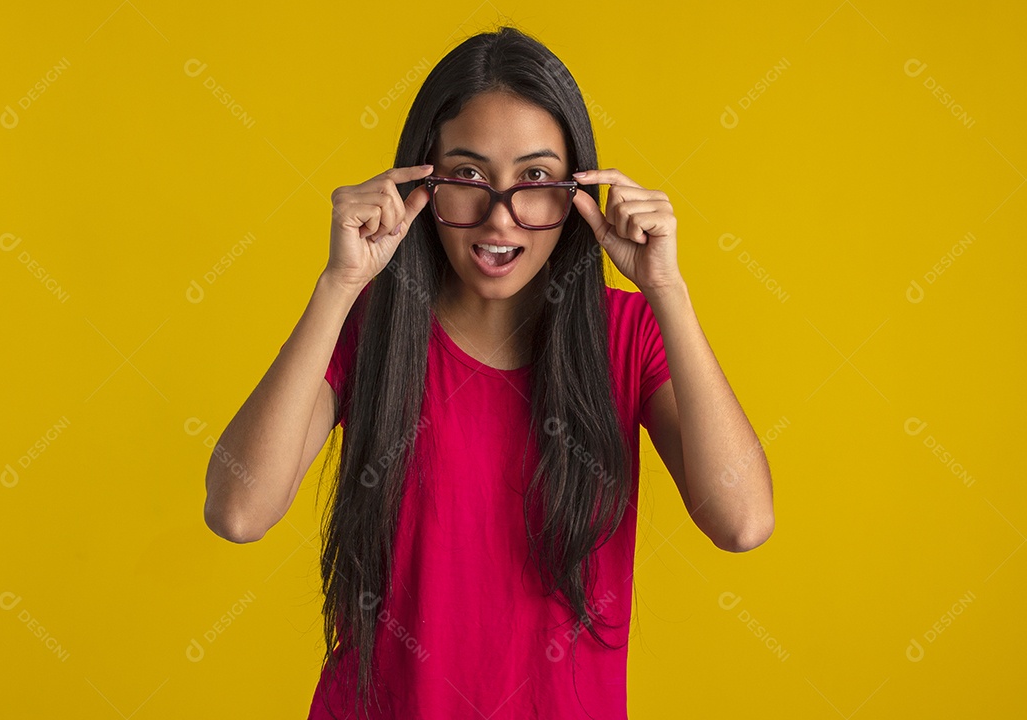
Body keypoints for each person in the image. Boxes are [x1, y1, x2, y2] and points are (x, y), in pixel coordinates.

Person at [204, 25, 775, 719]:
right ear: (420, 180)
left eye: (535, 179)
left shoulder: (629, 337)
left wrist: (668, 290)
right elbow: (239, 511)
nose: (499, 218)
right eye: (468, 176)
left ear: (577, 193)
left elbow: (742, 521)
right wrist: (339, 284)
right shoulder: (369, 327)